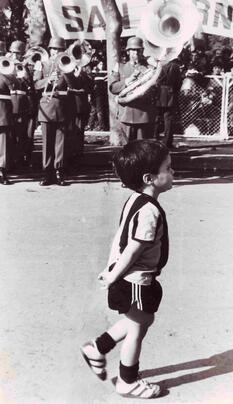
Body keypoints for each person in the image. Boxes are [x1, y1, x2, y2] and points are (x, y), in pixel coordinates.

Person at [80, 139, 174, 399]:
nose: (173, 172)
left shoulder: (136, 199)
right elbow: (133, 248)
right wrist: (113, 275)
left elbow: (122, 240)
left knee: (141, 320)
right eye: (168, 168)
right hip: (134, 279)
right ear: (150, 177)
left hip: (129, 276)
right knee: (137, 328)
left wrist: (112, 269)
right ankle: (127, 381)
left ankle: (97, 348)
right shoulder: (149, 211)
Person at [34, 36, 73, 186]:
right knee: (47, 142)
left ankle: (59, 172)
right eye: (54, 49)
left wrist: (67, 72)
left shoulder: (67, 65)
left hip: (62, 106)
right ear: (50, 50)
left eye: (59, 49)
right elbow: (36, 84)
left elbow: (74, 84)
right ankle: (47, 173)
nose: (56, 52)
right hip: (46, 105)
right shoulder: (42, 64)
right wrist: (48, 80)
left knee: (60, 143)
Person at [109, 36, 157, 142]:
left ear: (142, 51)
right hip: (125, 114)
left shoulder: (150, 69)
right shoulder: (119, 67)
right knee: (127, 149)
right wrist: (127, 81)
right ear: (128, 52)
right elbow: (113, 88)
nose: (136, 53)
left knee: (143, 149)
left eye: (138, 50)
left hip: (144, 115)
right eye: (133, 50)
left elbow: (155, 91)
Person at [153, 58, 182, 147]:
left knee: (156, 117)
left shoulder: (157, 64)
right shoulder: (175, 66)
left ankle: (154, 139)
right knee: (168, 119)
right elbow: (179, 82)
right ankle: (168, 142)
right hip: (170, 93)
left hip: (158, 93)